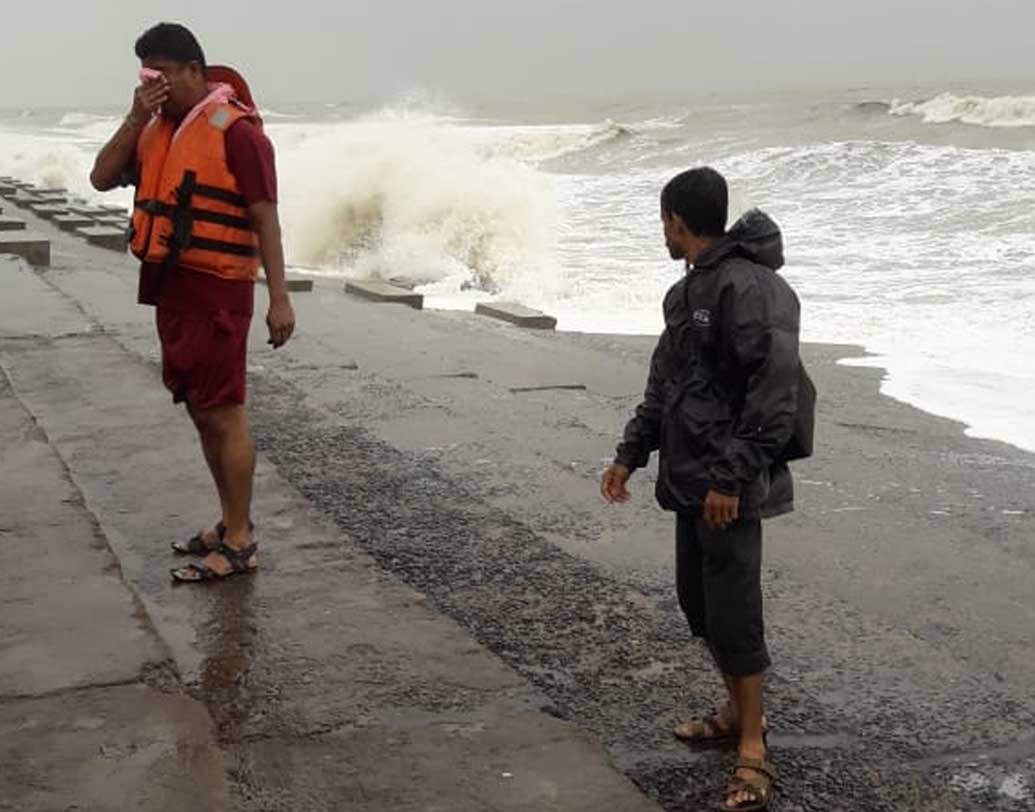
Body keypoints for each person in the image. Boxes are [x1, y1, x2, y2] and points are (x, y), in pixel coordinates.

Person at [601, 167, 801, 811]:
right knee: (701, 606)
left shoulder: (752, 289)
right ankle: (737, 713)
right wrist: (630, 455)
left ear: (677, 222)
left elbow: (774, 391)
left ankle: (752, 751)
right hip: (690, 481)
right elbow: (665, 384)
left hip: (728, 486)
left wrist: (731, 476)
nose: (661, 231)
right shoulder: (684, 295)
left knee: (736, 612)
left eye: (663, 221)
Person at [90, 22, 296, 583]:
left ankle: (241, 539)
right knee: (202, 412)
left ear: (191, 71)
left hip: (219, 291)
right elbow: (101, 177)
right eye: (143, 74)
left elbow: (265, 218)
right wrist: (135, 115)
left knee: (224, 412)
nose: (152, 84)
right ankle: (230, 522)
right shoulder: (156, 129)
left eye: (159, 74)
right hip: (172, 288)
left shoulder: (238, 132)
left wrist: (279, 299)